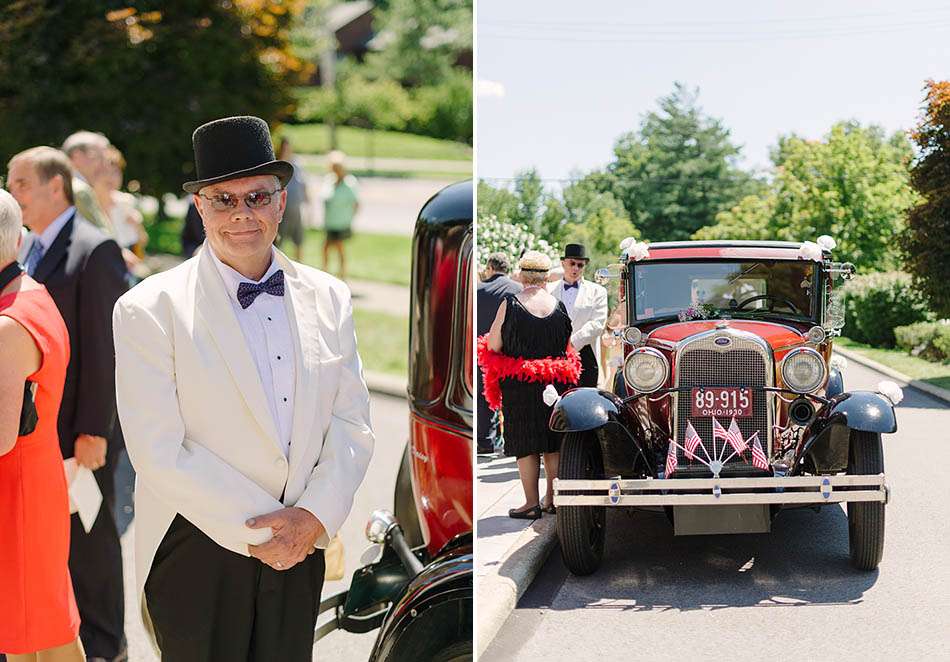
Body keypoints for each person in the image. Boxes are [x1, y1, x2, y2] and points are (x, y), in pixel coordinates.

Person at [112, 115, 375, 661]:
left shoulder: (330, 297)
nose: (242, 215)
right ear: (200, 207)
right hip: (196, 543)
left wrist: (312, 519)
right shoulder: (148, 309)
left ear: (281, 203)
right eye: (223, 199)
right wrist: (264, 531)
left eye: (257, 197)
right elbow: (157, 449)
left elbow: (352, 423)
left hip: (302, 540)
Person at [7, 147, 129, 662]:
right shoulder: (30, 248)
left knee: (93, 544)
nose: (14, 193)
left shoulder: (94, 247)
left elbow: (103, 347)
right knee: (49, 562)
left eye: (21, 184)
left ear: (55, 187)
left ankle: (107, 646)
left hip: (80, 428)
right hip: (40, 429)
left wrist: (93, 429)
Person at [0, 189, 85, 662]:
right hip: (33, 480)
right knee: (37, 629)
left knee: (41, 632)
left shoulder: (9, 323)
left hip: (17, 493)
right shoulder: (31, 293)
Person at [480, 251, 581, 519]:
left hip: (519, 386)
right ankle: (552, 499)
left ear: (522, 276)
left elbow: (493, 344)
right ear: (547, 277)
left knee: (525, 442)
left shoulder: (510, 304)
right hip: (554, 383)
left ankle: (530, 503)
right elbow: (567, 345)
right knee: (552, 440)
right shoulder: (559, 306)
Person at [476, 252, 521, 455]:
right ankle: (512, 442)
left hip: (484, 351)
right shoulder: (518, 290)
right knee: (512, 397)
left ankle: (486, 442)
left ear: (490, 268)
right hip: (511, 353)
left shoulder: (478, 290)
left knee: (485, 396)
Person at [548, 243, 608, 388]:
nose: (575, 268)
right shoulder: (548, 289)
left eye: (580, 265)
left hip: (586, 356)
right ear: (563, 263)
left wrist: (572, 344)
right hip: (554, 356)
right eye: (572, 263)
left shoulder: (597, 291)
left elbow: (597, 324)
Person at [94, 147, 148, 258]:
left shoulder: (126, 202)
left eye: (116, 172)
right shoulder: (86, 204)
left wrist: (137, 225)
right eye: (105, 171)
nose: (111, 177)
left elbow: (143, 241)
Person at [321, 150, 358, 281]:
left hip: (341, 222)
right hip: (330, 222)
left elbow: (356, 204)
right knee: (325, 248)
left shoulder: (349, 183)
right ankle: (325, 275)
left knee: (339, 248)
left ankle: (342, 277)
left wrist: (350, 218)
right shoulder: (328, 180)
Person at [276, 138, 309, 262]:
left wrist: (308, 202)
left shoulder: (297, 163)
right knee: (280, 240)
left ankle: (300, 264)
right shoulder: (278, 164)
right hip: (283, 210)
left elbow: (304, 184)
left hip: (296, 208)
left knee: (298, 240)